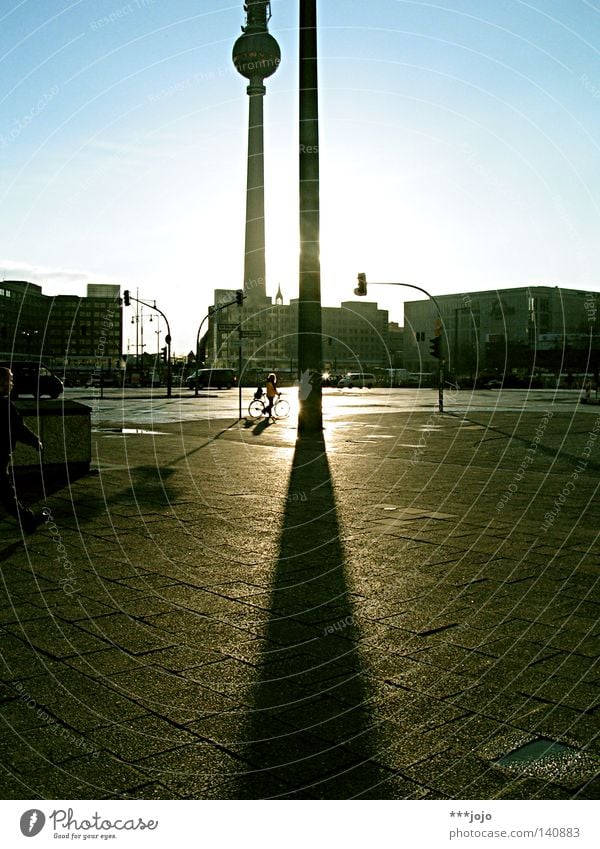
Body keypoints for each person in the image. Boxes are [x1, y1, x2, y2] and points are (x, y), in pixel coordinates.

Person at [0, 367, 45, 533]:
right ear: (3, 383)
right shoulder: (5, 406)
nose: (12, 384)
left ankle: (27, 519)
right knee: (5, 491)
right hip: (0, 453)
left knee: (5, 491)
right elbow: (18, 428)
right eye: (10, 380)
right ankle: (27, 520)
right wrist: (35, 441)